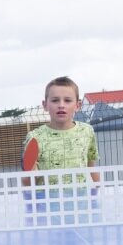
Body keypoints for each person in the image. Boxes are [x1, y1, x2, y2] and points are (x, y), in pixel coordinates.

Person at [22, 76, 100, 225]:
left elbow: (91, 166)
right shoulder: (34, 137)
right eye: (55, 100)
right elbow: (27, 181)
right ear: (45, 105)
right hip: (48, 208)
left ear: (78, 105)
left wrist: (97, 193)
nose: (61, 105)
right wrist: (30, 175)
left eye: (67, 100)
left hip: (80, 205)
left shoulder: (87, 131)